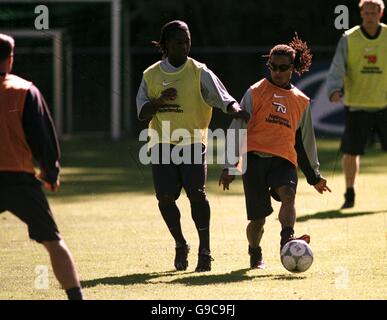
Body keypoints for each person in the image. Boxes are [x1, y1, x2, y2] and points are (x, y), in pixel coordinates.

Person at [136, 20, 248, 272]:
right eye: (179, 42)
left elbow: (222, 97)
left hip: (193, 142)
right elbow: (142, 113)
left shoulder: (199, 71)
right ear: (165, 45)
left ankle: (205, 251)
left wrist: (235, 109)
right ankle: (180, 243)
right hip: (162, 143)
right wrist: (159, 101)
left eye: (187, 41)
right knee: (165, 198)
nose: (185, 45)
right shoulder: (151, 75)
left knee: (196, 194)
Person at [219, 34, 331, 269]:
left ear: (293, 68)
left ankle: (287, 239)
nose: (277, 72)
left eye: (282, 68)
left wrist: (314, 177)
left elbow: (304, 141)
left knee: (288, 195)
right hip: (254, 160)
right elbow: (238, 128)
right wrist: (231, 166)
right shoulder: (255, 92)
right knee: (258, 220)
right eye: (273, 67)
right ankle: (255, 251)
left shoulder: (301, 101)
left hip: (283, 160)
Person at [0, 33, 83, 300]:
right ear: (10, 59)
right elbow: (43, 137)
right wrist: (50, 171)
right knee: (53, 240)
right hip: (18, 178)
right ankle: (75, 297)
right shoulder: (23, 90)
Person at [327, 0, 387, 209]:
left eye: (374, 12)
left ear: (381, 13)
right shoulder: (349, 38)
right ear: (361, 13)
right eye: (366, 12)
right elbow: (337, 67)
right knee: (351, 152)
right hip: (357, 105)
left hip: (384, 104)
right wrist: (334, 89)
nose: (370, 16)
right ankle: (350, 192)